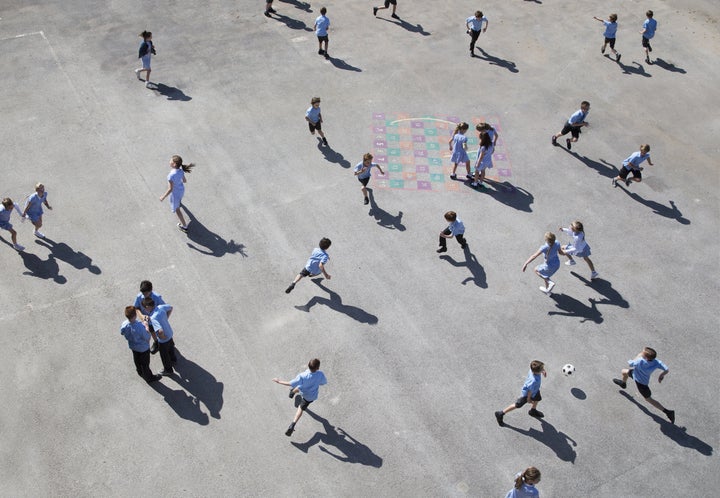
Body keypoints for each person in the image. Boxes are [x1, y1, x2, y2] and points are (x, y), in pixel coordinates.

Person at [613, 347, 675, 423]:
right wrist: (661, 375)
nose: (641, 353)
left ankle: (668, 412)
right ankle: (623, 383)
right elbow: (666, 369)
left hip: (641, 383)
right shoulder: (657, 362)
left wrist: (638, 355)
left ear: (645, 357)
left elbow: (631, 363)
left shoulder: (640, 361)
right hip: (635, 374)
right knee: (624, 371)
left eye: (642, 353)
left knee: (648, 399)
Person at [272, 358, 327, 436]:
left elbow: (290, 383)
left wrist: (279, 381)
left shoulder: (302, 375)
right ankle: (292, 424)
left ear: (308, 365)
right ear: (318, 368)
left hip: (304, 392)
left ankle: (292, 392)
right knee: (301, 403)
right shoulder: (320, 374)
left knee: (300, 389)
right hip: (311, 396)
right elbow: (323, 382)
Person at [495, 361, 547, 426]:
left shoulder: (533, 370)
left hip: (535, 390)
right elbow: (529, 391)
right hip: (527, 394)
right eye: (542, 369)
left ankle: (533, 410)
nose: (543, 369)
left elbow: (538, 369)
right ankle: (500, 413)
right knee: (518, 405)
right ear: (536, 372)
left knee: (537, 399)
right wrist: (528, 399)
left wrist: (543, 371)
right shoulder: (533, 381)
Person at [120, 306, 162, 383]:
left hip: (133, 346)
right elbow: (147, 337)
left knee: (136, 358)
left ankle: (139, 370)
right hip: (143, 348)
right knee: (145, 363)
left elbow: (122, 332)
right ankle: (149, 377)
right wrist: (146, 325)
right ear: (135, 315)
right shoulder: (140, 327)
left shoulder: (124, 324)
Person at [141, 298, 177, 376]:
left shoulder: (153, 318)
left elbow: (160, 331)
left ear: (147, 307)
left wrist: (162, 337)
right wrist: (166, 318)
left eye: (144, 308)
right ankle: (173, 359)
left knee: (164, 355)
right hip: (169, 333)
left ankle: (168, 370)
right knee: (171, 347)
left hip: (164, 340)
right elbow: (171, 307)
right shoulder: (161, 307)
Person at [159, 155, 194, 232]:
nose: (169, 161)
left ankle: (184, 226)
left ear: (174, 164)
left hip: (175, 194)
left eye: (170, 160)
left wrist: (163, 197)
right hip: (181, 190)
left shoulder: (171, 176)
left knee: (177, 209)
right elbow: (184, 181)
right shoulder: (181, 171)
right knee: (179, 200)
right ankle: (179, 203)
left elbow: (170, 189)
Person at [133, 280, 166, 354]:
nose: (144, 295)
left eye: (146, 293)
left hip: (157, 320)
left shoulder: (157, 297)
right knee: (152, 331)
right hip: (148, 321)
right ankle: (156, 342)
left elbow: (164, 308)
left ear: (151, 290)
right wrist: (141, 316)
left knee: (162, 332)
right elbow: (136, 307)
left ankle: (167, 343)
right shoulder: (139, 297)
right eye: (143, 293)